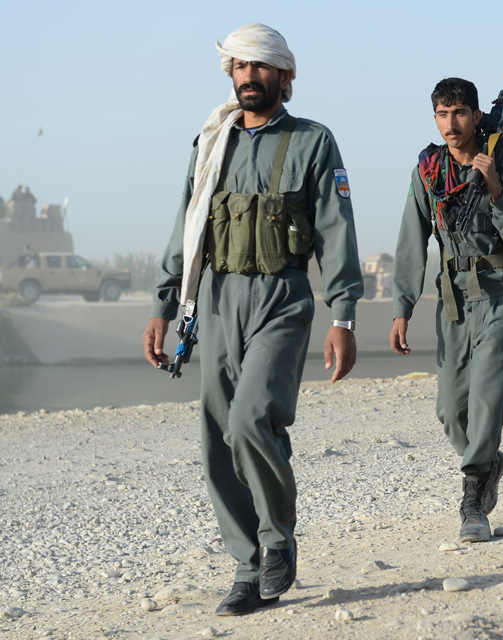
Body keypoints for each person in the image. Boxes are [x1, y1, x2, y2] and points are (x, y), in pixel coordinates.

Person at [141, 23, 363, 617]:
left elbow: (337, 232)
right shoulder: (212, 142)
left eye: (259, 67)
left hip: (282, 301)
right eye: (239, 67)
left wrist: (344, 316)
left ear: (285, 77)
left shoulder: (314, 142)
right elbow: (186, 229)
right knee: (217, 438)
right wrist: (164, 306)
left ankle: (275, 541)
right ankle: (247, 569)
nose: (247, 77)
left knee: (249, 420)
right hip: (214, 304)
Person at [389, 77, 503, 543]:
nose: (451, 124)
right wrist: (402, 307)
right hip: (452, 295)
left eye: (459, 114)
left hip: (499, 291)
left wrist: (495, 190)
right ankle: (489, 462)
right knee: (450, 410)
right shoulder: (429, 170)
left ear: (476, 115)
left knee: (487, 396)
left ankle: (473, 496)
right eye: (442, 114)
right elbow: (412, 238)